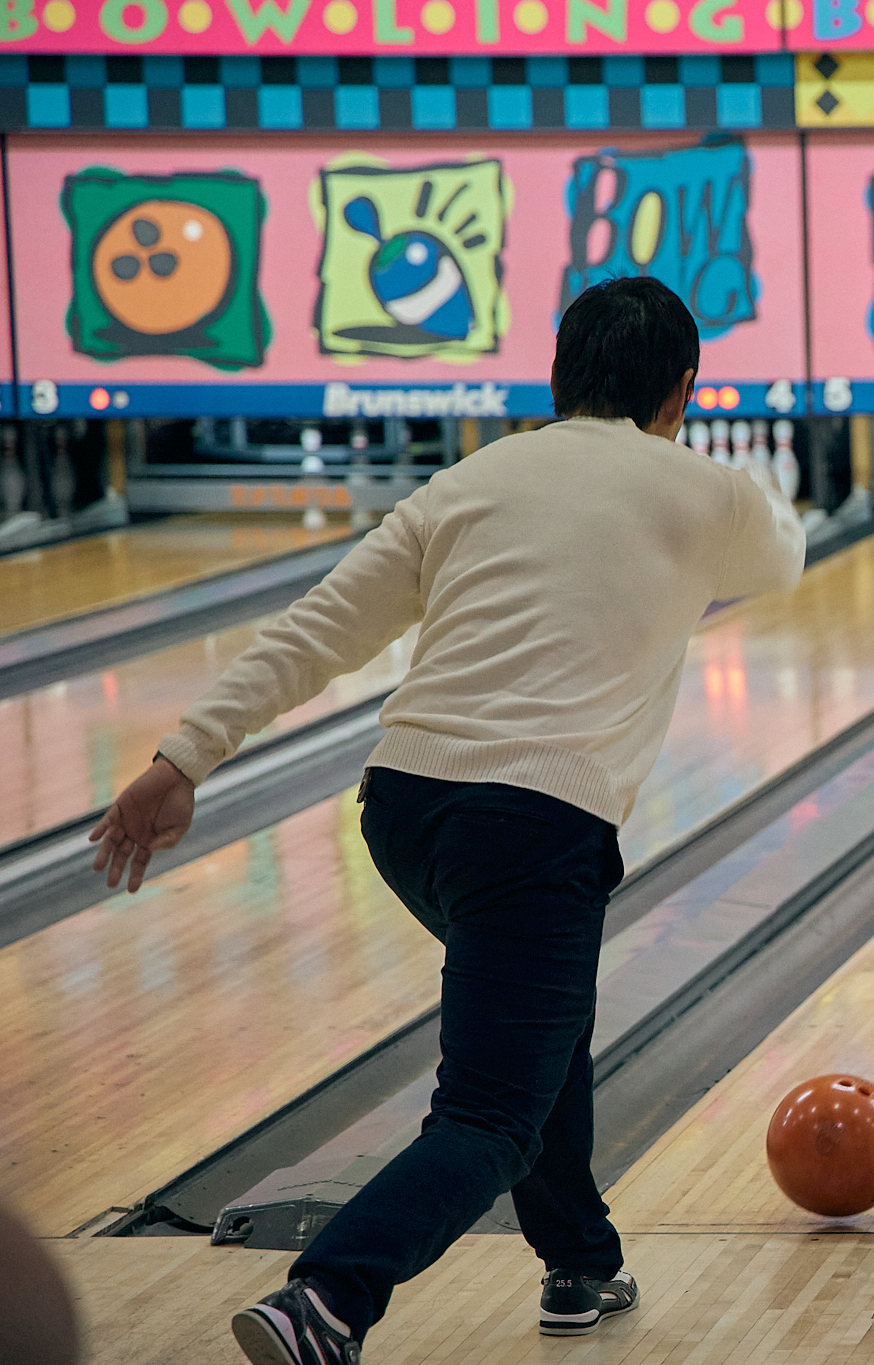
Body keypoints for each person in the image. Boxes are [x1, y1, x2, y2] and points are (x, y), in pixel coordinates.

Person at [89, 277, 806, 1365]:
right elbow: (782, 562)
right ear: (685, 390)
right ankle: (327, 1298)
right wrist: (738, 486)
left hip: (406, 811)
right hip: (536, 825)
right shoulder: (705, 491)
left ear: (554, 378)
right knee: (491, 1114)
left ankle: (581, 1264)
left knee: (541, 1024)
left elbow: (319, 629)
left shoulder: (467, 478)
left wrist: (182, 756)